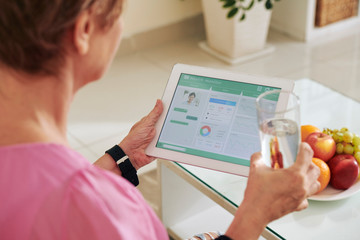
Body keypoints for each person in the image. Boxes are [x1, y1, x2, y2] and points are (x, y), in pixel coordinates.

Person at [0, 1, 320, 240]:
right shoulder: (99, 207)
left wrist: (118, 158)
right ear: (83, 30)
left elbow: (42, 197)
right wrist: (255, 214)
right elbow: (70, 205)